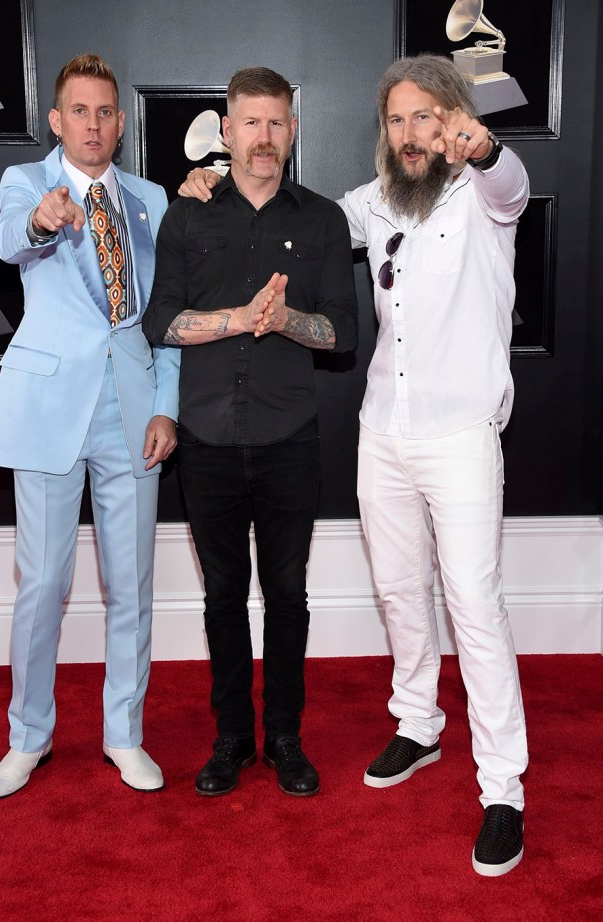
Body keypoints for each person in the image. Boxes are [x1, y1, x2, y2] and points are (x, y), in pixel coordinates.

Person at [180, 54, 528, 876]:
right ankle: (419, 723)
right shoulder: (374, 204)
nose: (410, 134)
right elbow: (291, 211)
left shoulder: (484, 196)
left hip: (462, 434)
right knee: (398, 590)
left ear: (454, 121)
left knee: (474, 605)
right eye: (396, 120)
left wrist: (483, 149)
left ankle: (504, 788)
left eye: (425, 118)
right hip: (384, 432)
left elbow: (512, 183)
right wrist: (211, 183)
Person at [147, 67, 357, 798]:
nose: (263, 137)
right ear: (226, 131)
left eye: (276, 123)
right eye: (251, 122)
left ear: (292, 131)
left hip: (289, 438)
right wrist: (238, 319)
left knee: (288, 594)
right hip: (205, 439)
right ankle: (232, 737)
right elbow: (160, 321)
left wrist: (286, 320)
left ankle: (286, 738)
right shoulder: (188, 215)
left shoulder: (323, 219)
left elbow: (343, 333)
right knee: (223, 597)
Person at [0, 53, 180, 799]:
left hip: (132, 409)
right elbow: (10, 239)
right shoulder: (26, 183)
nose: (92, 125)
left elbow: (166, 317)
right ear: (56, 121)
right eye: (79, 112)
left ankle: (124, 734)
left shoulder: (151, 199)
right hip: (48, 409)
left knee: (132, 583)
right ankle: (27, 737)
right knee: (43, 584)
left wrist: (166, 404)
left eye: (104, 113)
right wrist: (43, 219)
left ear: (119, 124)